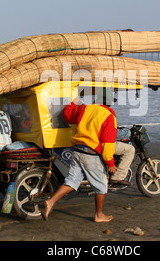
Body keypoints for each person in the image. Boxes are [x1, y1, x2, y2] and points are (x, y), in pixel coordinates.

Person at [42, 88, 117, 223]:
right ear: (110, 103)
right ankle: (99, 215)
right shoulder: (109, 116)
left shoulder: (85, 108)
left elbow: (67, 116)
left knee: (71, 181)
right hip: (91, 155)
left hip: (77, 151)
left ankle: (51, 202)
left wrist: (72, 103)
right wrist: (110, 163)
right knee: (101, 186)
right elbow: (108, 144)